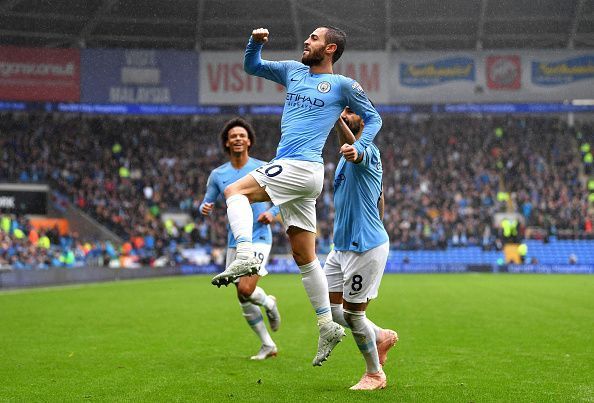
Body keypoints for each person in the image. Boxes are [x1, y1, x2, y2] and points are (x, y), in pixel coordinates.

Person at [211, 26, 382, 366]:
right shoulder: (292, 71)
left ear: (330, 48)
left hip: (300, 165)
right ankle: (325, 323)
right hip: (302, 174)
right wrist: (254, 44)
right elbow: (253, 66)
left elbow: (374, 118)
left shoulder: (344, 86)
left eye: (315, 39)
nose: (306, 41)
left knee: (233, 190)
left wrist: (359, 145)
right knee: (304, 255)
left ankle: (244, 253)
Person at [324, 107, 397, 390]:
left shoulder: (368, 150)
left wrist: (333, 115)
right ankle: (380, 335)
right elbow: (379, 197)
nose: (344, 112)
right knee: (330, 309)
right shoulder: (342, 160)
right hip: (341, 246)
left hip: (363, 246)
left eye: (350, 110)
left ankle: (375, 375)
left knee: (354, 315)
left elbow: (355, 148)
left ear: (364, 120)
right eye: (342, 110)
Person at [200, 117, 281, 360]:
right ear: (227, 142)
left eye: (241, 135)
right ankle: (268, 344)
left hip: (258, 237)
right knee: (241, 295)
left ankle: (268, 303)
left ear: (249, 141)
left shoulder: (263, 167)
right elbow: (208, 199)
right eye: (233, 135)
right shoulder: (218, 174)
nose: (237, 138)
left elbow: (283, 196)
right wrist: (204, 207)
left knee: (246, 288)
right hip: (234, 240)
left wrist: (272, 213)